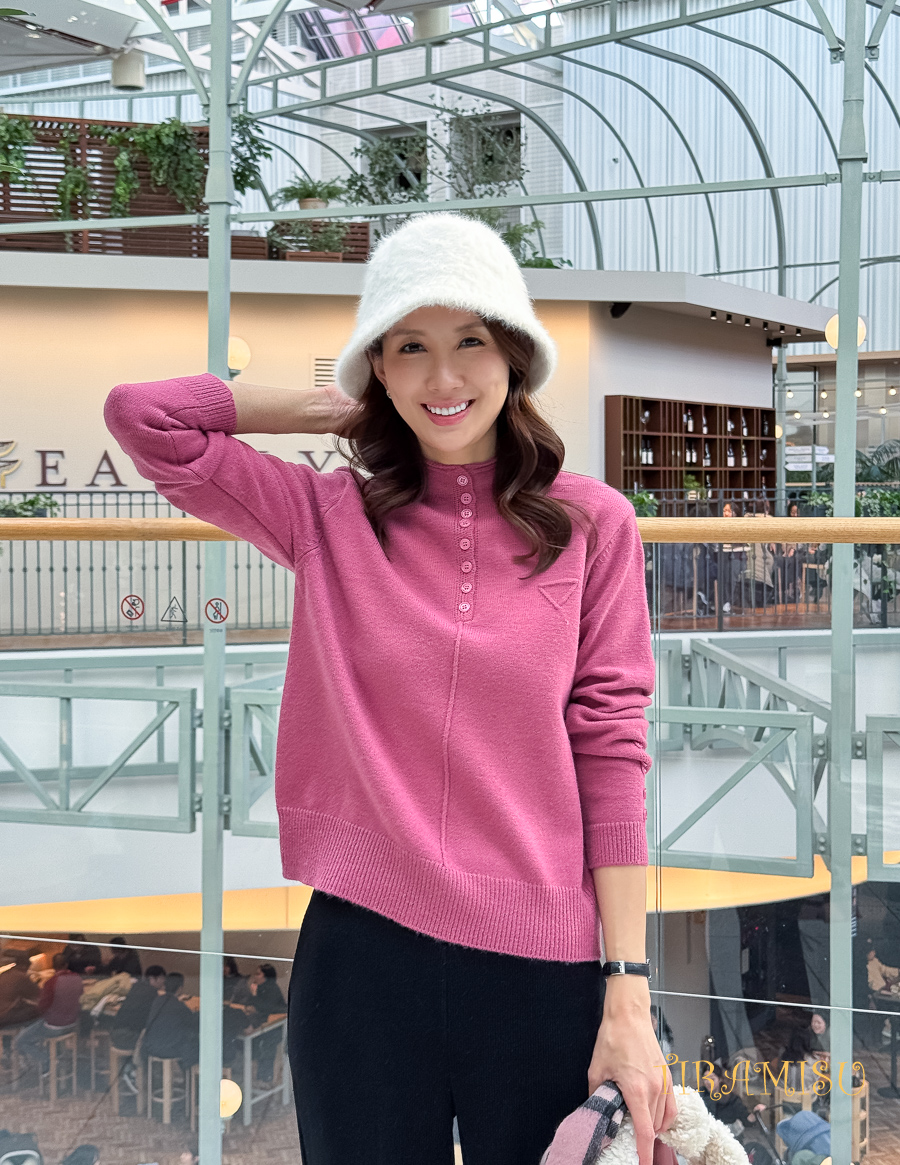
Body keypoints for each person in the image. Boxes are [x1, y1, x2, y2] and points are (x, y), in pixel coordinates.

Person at [105, 212, 675, 1165]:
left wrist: (628, 987)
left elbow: (611, 748)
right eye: (409, 347)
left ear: (515, 355)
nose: (443, 377)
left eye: (470, 341)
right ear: (376, 363)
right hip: (363, 960)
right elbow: (144, 417)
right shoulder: (327, 515)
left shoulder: (594, 524)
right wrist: (336, 409)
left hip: (544, 964)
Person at [15, 953, 82, 1074]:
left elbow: (42, 1007)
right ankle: (57, 1055)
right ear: (67, 964)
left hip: (54, 1026)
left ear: (53, 966)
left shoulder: (51, 983)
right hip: (73, 1023)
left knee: (21, 1040)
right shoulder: (77, 978)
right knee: (36, 1027)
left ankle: (47, 1060)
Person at [140, 972, 198, 1071]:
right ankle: (187, 1076)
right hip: (168, 1049)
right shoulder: (179, 1006)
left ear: (164, 986)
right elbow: (192, 1023)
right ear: (180, 988)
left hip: (150, 1047)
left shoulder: (157, 1001)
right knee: (194, 1041)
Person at [244, 964, 287, 1084]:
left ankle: (265, 1079)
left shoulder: (272, 989)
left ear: (266, 976)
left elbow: (266, 1007)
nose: (255, 977)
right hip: (263, 1026)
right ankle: (259, 1078)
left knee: (267, 1052)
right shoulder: (261, 987)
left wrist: (254, 995)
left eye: (258, 974)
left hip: (273, 1027)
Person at [106, 964, 165, 1051]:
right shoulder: (151, 993)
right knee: (161, 1041)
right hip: (129, 1036)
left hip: (115, 1034)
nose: (163, 981)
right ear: (152, 978)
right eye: (162, 978)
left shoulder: (136, 987)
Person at [0, 949, 40, 1029]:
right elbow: (37, 994)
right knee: (38, 1010)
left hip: (2, 1012)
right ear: (25, 966)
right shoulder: (21, 976)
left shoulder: (5, 974)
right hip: (4, 1016)